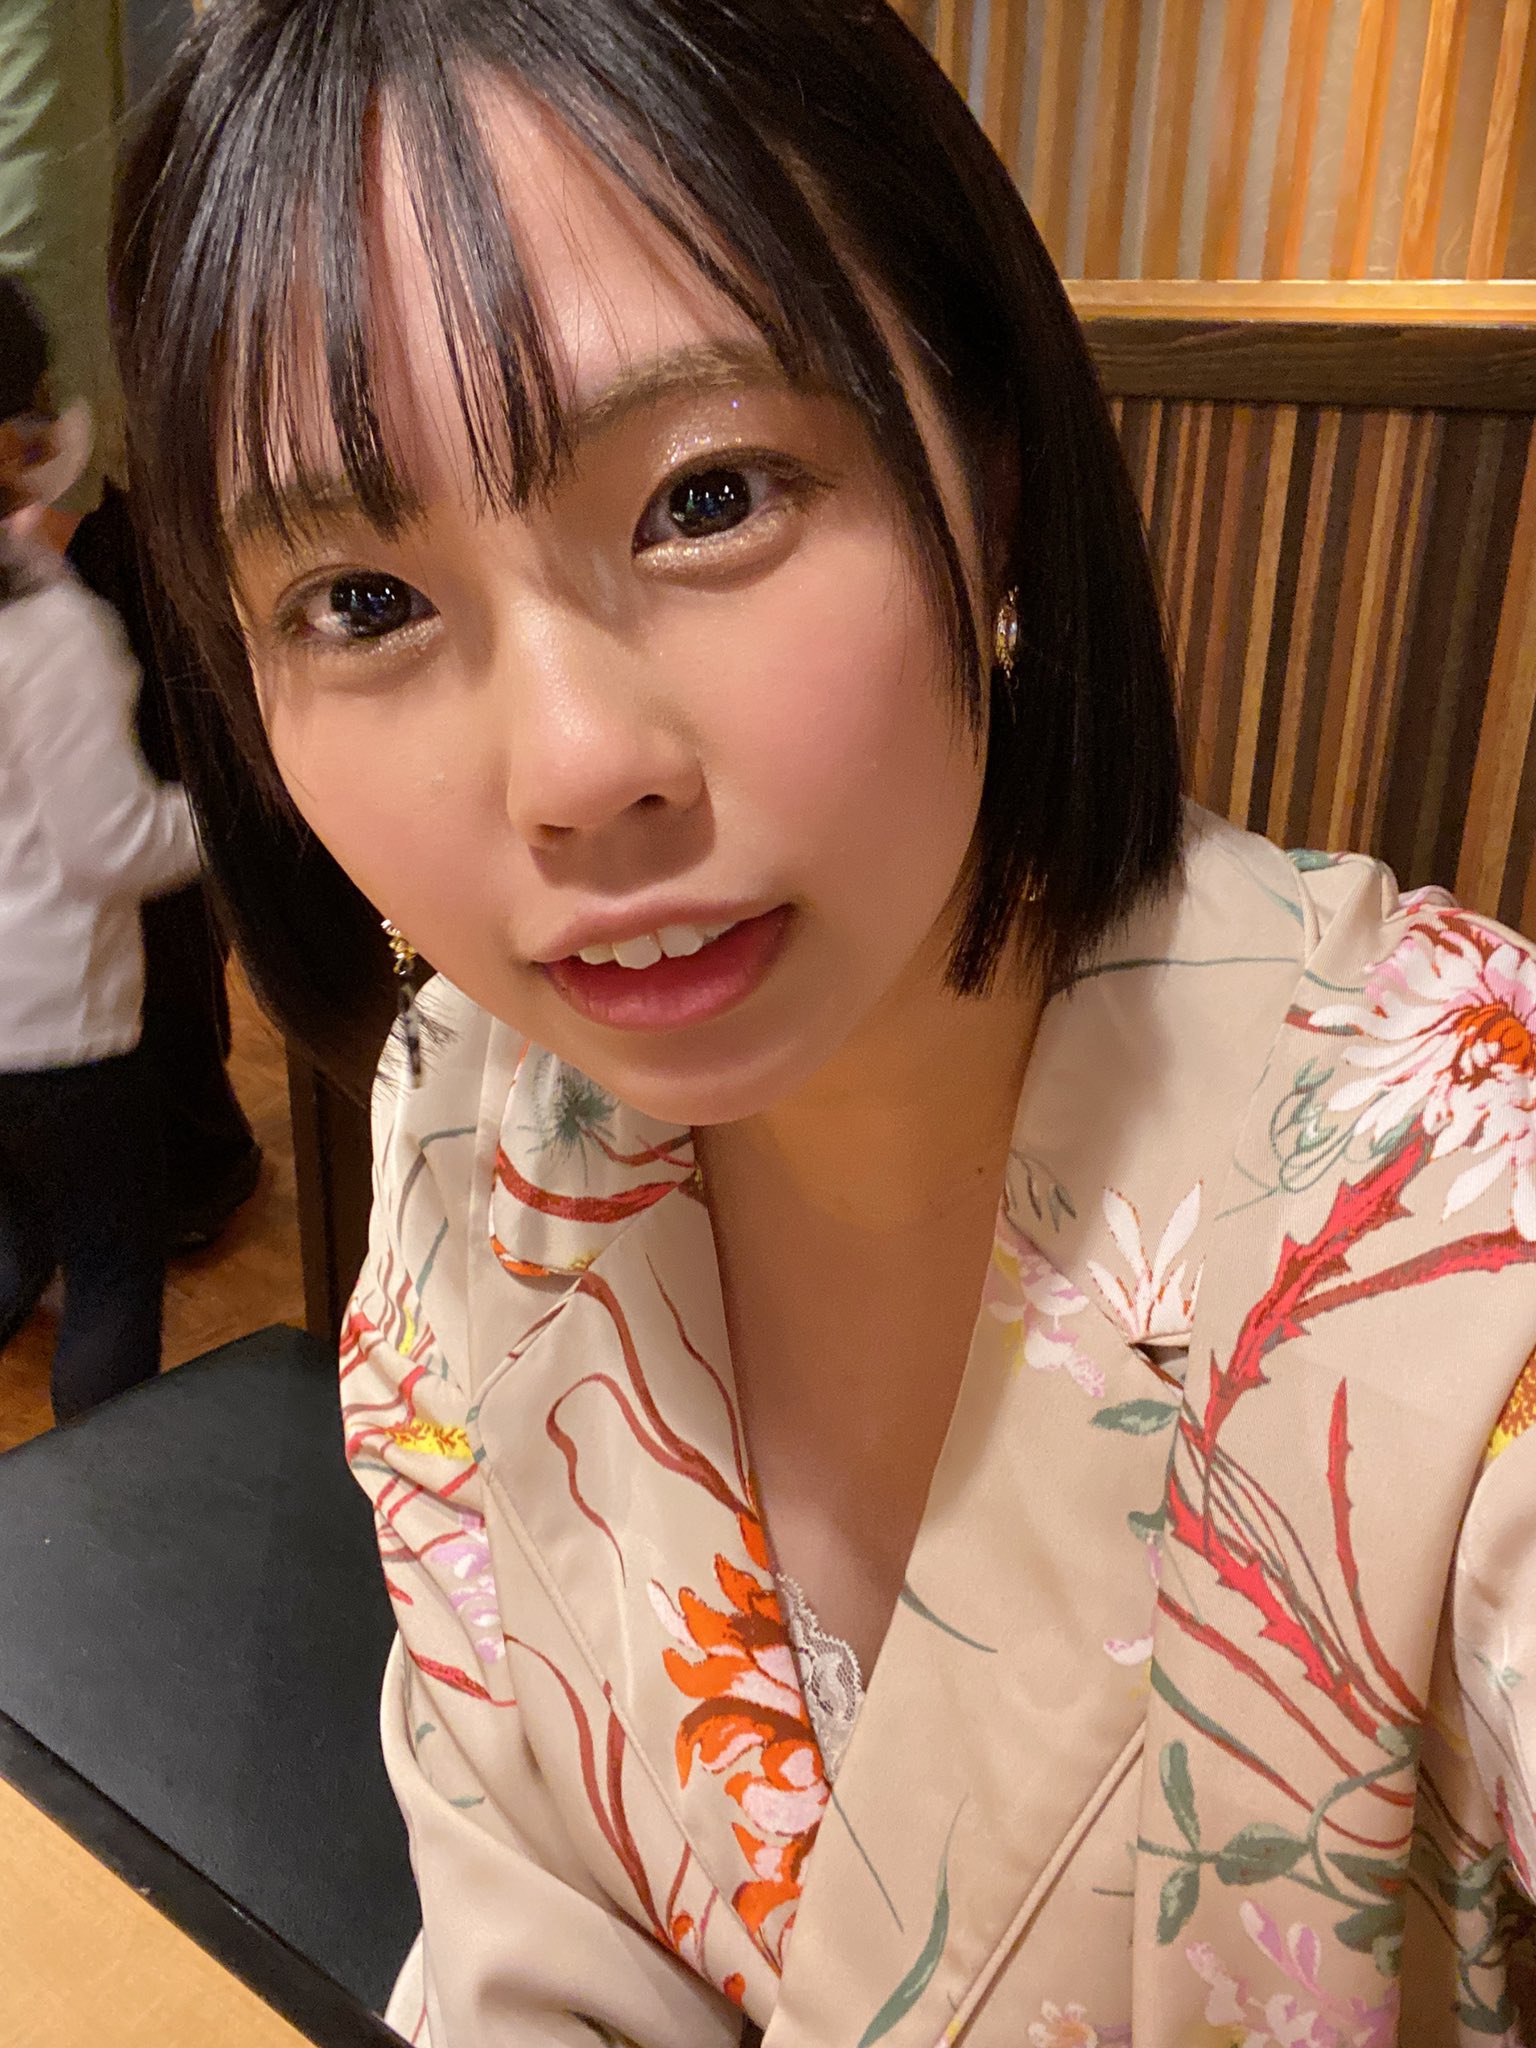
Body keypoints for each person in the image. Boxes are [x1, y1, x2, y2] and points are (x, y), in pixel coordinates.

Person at [109, 3, 1536, 2040]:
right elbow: (520, 1931)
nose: (575, 768)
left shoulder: (1459, 1233)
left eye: (707, 498)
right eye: (361, 603)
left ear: (992, 470)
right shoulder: (474, 1129)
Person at [0, 278, 202, 1421]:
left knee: (15, 1236)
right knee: (114, 1272)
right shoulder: (53, 636)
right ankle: (108, 1479)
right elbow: (109, 844)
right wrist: (225, 818)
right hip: (65, 1034)